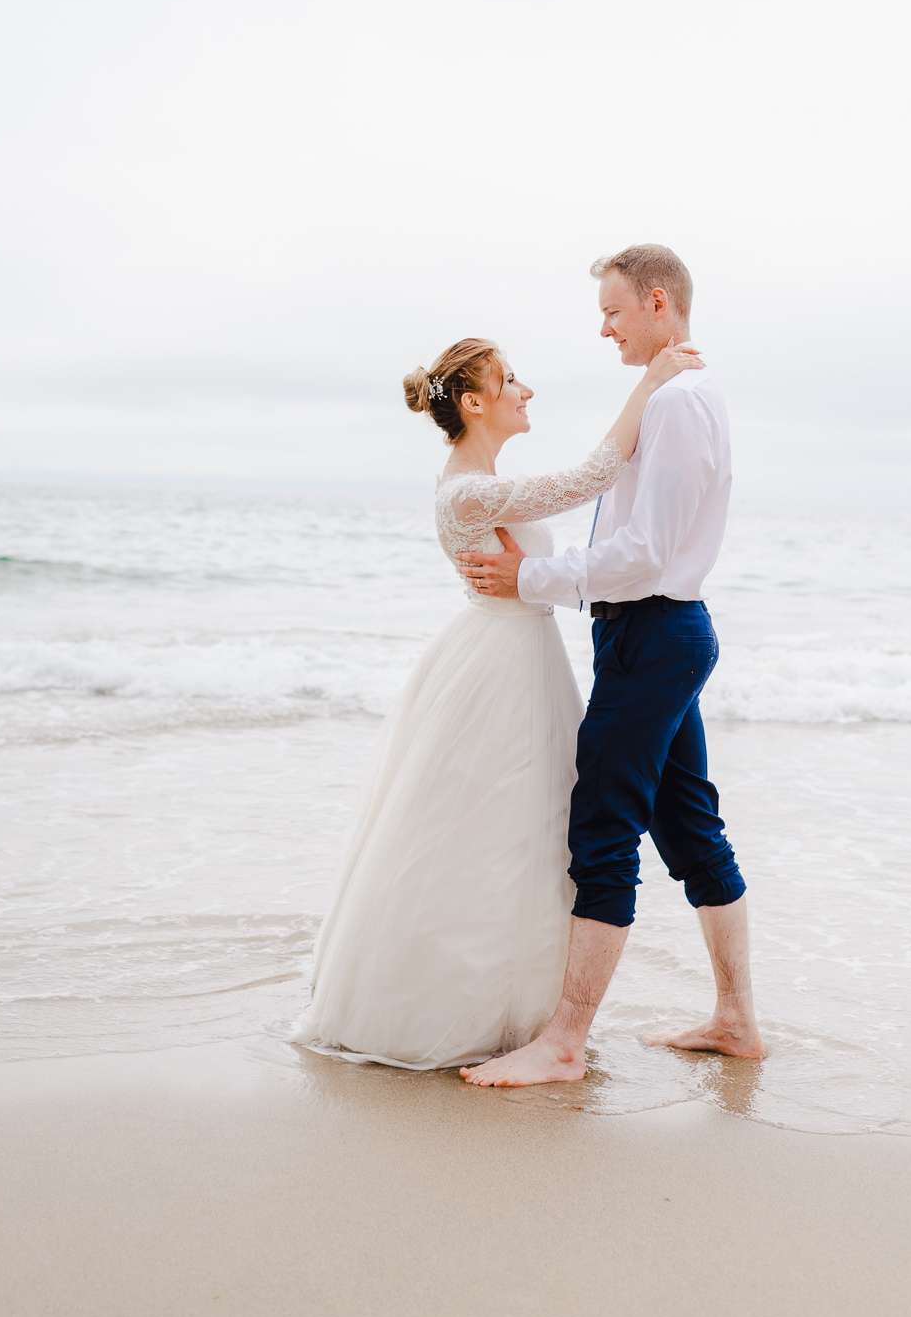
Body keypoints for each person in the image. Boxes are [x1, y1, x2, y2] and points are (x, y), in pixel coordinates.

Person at [290, 331, 703, 1071]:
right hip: (500, 668)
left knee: (521, 831)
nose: (525, 389)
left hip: (515, 653)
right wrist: (649, 384)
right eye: (510, 379)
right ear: (475, 402)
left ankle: (523, 1007)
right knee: (492, 829)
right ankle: (462, 1007)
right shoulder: (470, 491)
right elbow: (591, 476)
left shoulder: (477, 482)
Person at [456, 242, 765, 1086]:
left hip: (653, 633)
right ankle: (735, 1021)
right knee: (690, 828)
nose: (604, 329)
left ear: (657, 302)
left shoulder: (680, 403)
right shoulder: (673, 395)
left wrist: (529, 578)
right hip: (654, 633)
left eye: (613, 311)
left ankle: (563, 1040)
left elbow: (643, 553)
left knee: (601, 827)